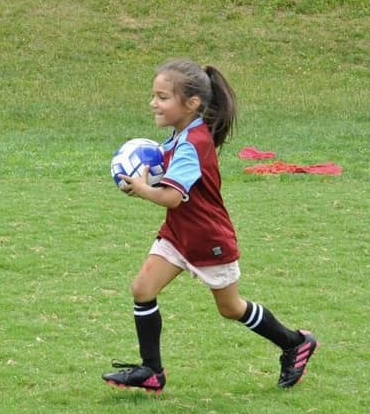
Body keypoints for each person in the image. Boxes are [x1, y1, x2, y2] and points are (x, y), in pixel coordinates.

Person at [102, 60, 316, 392]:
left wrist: (143, 189)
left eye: (162, 97)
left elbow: (173, 197)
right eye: (153, 96)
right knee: (143, 289)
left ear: (192, 104)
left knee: (231, 308)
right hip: (179, 234)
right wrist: (147, 182)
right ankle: (152, 371)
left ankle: (294, 343)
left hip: (208, 238)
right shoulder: (182, 134)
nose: (153, 103)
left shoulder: (192, 143)